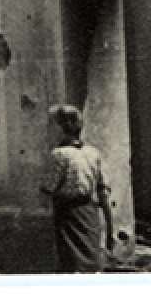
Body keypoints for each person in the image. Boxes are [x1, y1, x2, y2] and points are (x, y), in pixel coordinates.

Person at [42, 104, 116, 272]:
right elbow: (103, 191)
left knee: (71, 263)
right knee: (91, 262)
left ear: (62, 128)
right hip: (90, 215)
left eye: (52, 125)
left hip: (68, 216)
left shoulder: (59, 155)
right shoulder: (93, 153)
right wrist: (110, 227)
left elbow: (48, 187)